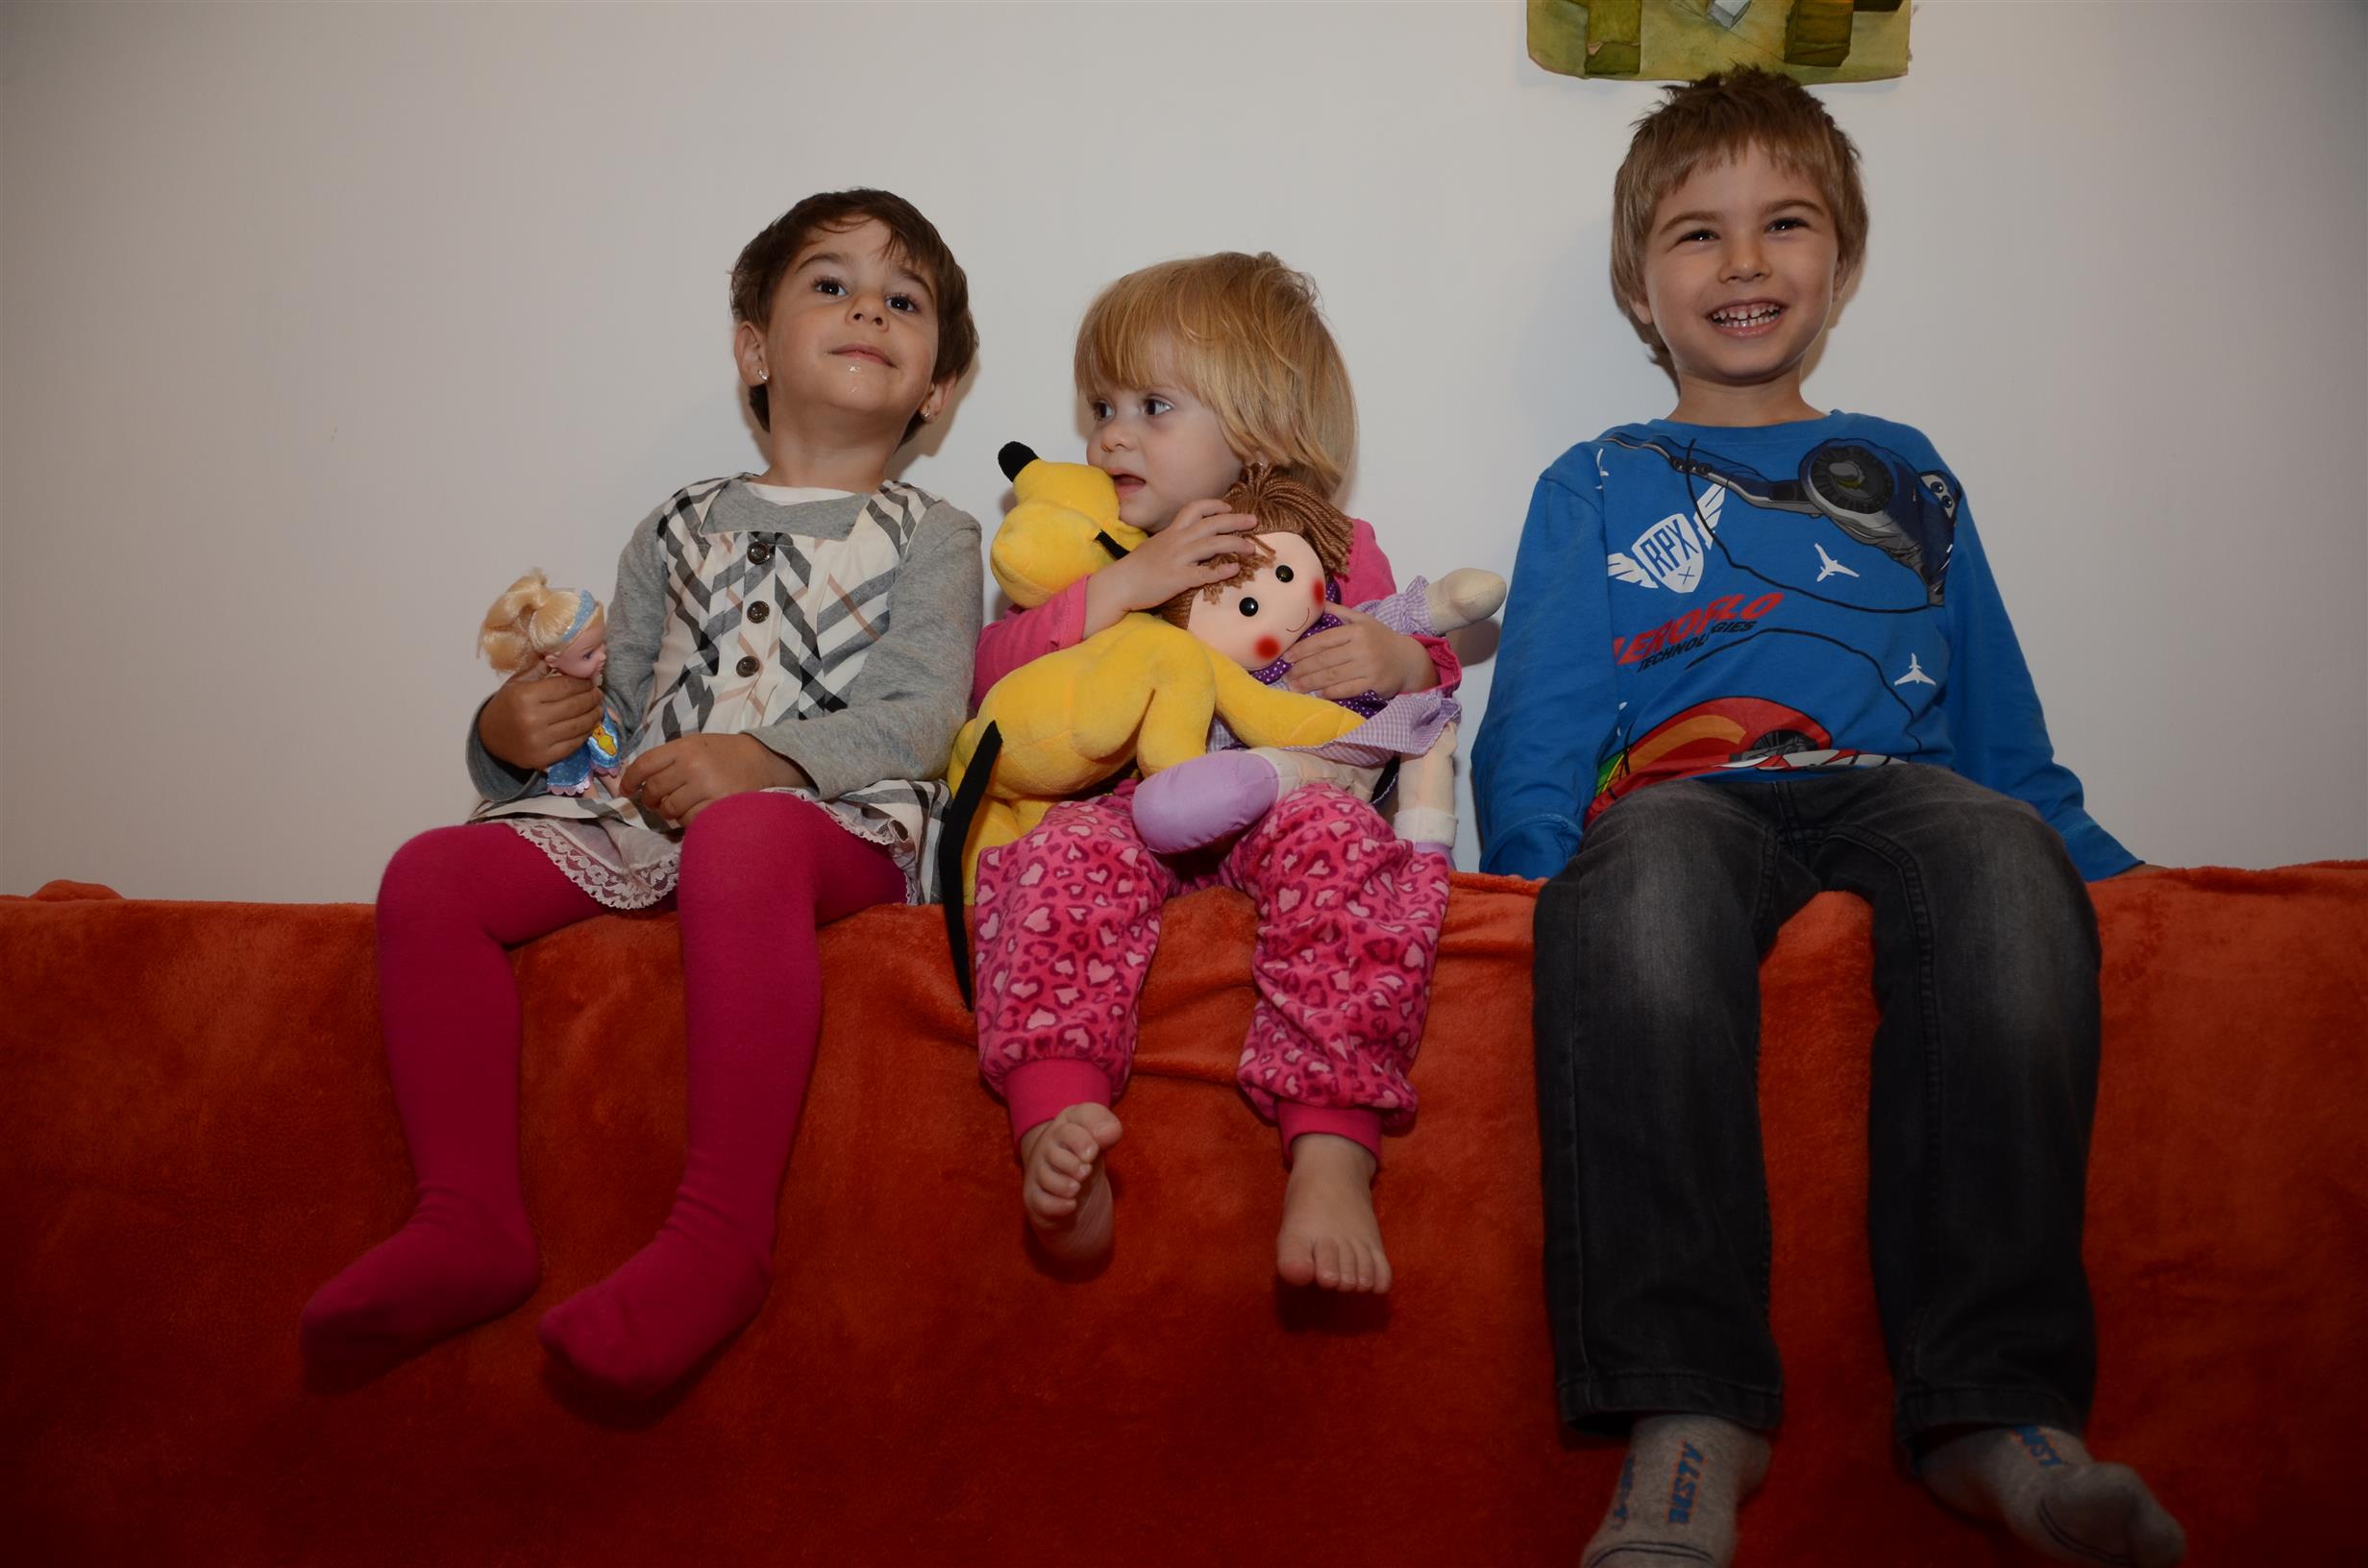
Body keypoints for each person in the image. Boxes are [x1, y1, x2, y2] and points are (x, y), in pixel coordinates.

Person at [1472, 70, 2183, 1567]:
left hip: (1897, 786)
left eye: (1784, 223)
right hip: (1683, 797)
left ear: (1843, 262)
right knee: (1643, 876)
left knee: (2000, 855)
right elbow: (1539, 713)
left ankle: (1996, 1408)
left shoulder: (1908, 469)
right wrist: (1539, 880)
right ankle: (1688, 1413)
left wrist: (2112, 874)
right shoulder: (1595, 480)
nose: (1743, 261)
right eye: (1697, 233)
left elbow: (1999, 733)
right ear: (1638, 286)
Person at [301, 187, 982, 1400]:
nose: (869, 308)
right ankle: (466, 1220)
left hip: (839, 826)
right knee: (431, 874)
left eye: (904, 299)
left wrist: (766, 763)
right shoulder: (672, 525)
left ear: (938, 389)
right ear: (753, 351)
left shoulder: (932, 532)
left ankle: (721, 1240)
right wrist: (513, 735)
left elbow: (926, 715)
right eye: (831, 285)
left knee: (744, 838)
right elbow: (615, 711)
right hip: (644, 819)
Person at [971, 251, 1459, 1293]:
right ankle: (1055, 1124)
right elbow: (993, 683)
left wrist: (1400, 660)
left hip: (1286, 794)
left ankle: (1331, 1150)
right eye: (1101, 407)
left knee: (1346, 853)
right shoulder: (1094, 548)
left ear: (1263, 426)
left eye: (1152, 406)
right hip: (1132, 807)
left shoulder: (1333, 546)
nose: (1111, 434)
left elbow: (1422, 676)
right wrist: (1123, 586)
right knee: (1053, 859)